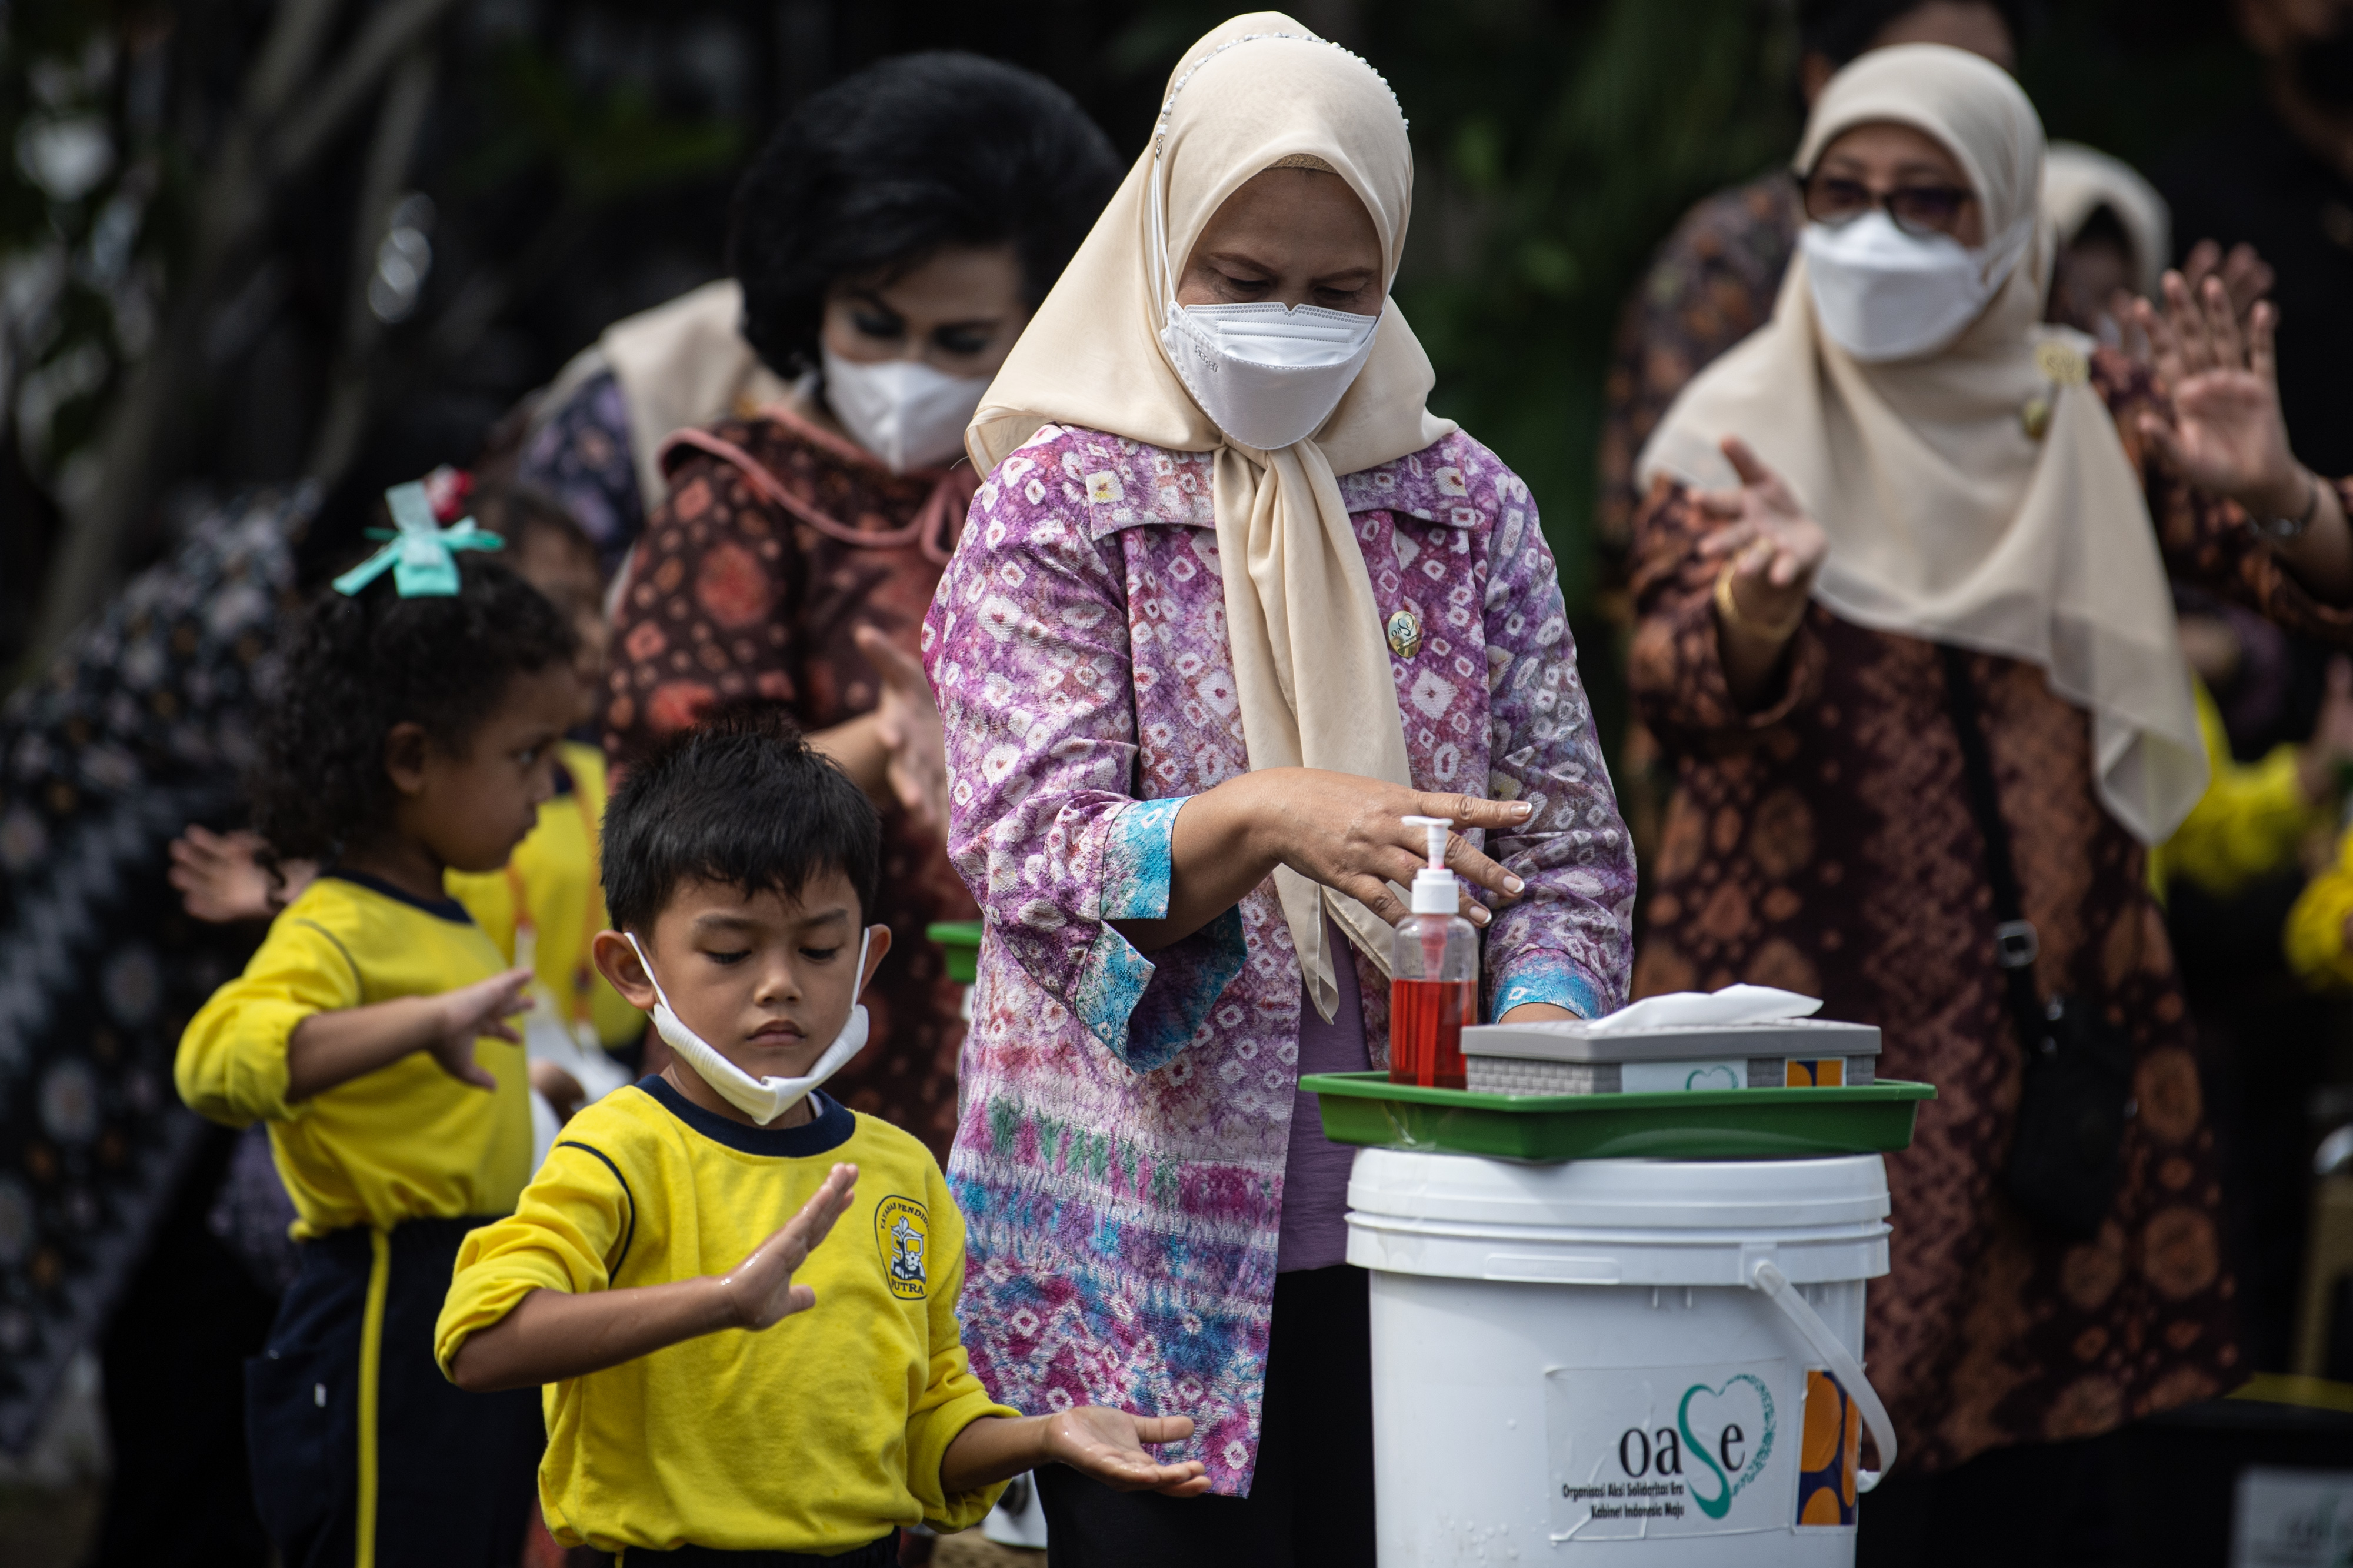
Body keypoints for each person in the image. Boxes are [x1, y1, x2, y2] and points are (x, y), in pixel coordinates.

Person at [1627, 44, 2353, 1565]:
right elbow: (1677, 681)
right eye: (1845, 196)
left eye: (1929, 201)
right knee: (1757, 1480)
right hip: (1795, 1068)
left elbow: (2319, 586)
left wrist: (2282, 487)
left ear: (2010, 224)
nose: (1877, 233)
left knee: (2016, 1509)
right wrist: (1762, 610)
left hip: (2040, 1059)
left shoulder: (2095, 414)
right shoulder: (1737, 427)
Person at [924, 15, 1634, 1563]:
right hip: (1135, 1257)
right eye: (1241, 283)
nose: (1289, 325)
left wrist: (1544, 1018)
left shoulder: (1464, 503)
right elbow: (1027, 857)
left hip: (1437, 1231)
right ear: (1162, 239)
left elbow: (1569, 845)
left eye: (1341, 293)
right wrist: (1267, 816)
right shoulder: (1061, 504)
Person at [432, 708, 1208, 1559]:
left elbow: (922, 1437)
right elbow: (481, 1338)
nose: (779, 985)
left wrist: (1046, 1434)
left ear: (866, 959)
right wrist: (719, 1301)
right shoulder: (618, 1147)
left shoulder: (900, 1170)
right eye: (729, 952)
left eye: (818, 948)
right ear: (632, 969)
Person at [602, 52, 1121, 1165]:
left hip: (1074, 1088)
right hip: (796, 1092)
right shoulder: (732, 504)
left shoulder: (1085, 502)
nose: (906, 369)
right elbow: (657, 825)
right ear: (811, 298)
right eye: (874, 324)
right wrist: (887, 746)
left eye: (959, 342)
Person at [174, 526, 581, 1566]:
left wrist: (521, 1084)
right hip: (380, 1311)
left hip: (468, 1296)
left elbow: (410, 1090)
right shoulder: (336, 922)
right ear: (411, 758)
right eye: (527, 756)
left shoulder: (441, 910)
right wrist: (428, 1023)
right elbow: (217, 1057)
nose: (550, 788)